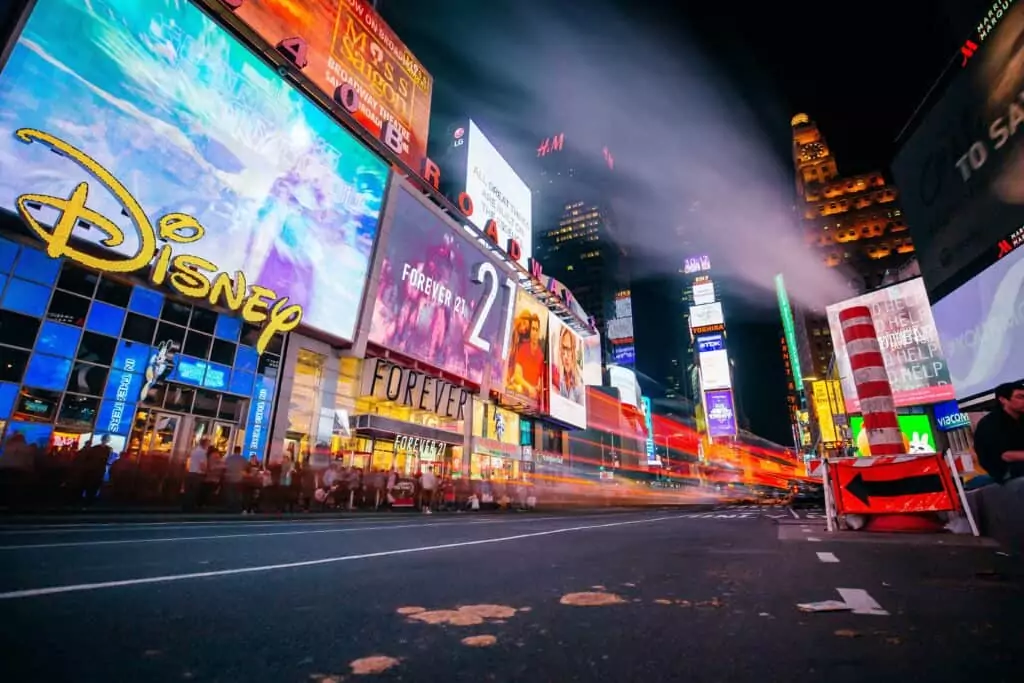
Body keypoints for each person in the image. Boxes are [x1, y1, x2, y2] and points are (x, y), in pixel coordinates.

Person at [973, 382, 1024, 489]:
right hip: (1005, 471)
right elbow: (1005, 455)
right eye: (1020, 397)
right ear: (1003, 400)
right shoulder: (991, 423)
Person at [183, 438, 209, 511]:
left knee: (188, 491)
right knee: (194, 492)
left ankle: (185, 506)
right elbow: (202, 465)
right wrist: (206, 472)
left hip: (190, 472)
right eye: (207, 444)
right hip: (197, 474)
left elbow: (188, 461)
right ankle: (190, 507)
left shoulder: (194, 451)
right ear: (205, 444)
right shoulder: (202, 453)